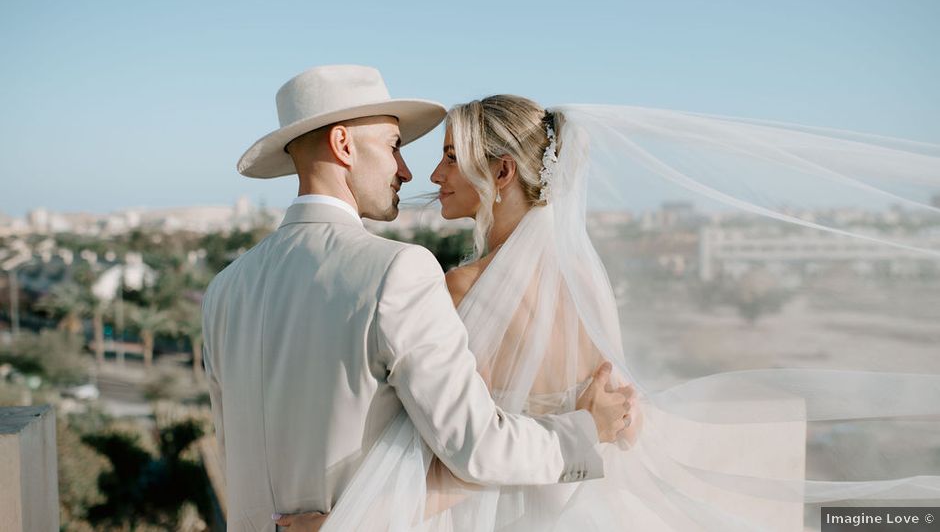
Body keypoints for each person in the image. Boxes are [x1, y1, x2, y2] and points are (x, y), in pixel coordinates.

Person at [282, 94, 940, 531]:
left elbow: (458, 454)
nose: (433, 174)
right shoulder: (587, 283)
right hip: (579, 505)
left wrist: (348, 521)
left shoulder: (459, 289)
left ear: (502, 172)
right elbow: (618, 419)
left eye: (452, 156)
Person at [201, 66, 635, 532]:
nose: (409, 172)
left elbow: (232, 451)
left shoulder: (223, 290)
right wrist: (584, 434)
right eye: (393, 146)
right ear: (344, 146)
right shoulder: (398, 271)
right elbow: (475, 446)